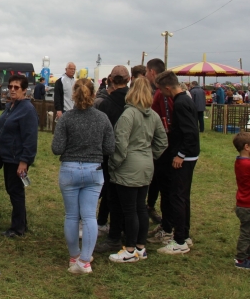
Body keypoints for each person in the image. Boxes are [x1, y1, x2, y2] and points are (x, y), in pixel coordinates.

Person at [52, 78, 115, 274]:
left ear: (73, 95)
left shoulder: (66, 119)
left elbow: (57, 148)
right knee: (89, 216)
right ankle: (85, 261)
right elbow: (110, 148)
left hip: (70, 169)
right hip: (94, 170)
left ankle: (75, 256)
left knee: (71, 215)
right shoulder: (102, 118)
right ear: (94, 94)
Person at [108, 78, 168, 263]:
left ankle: (131, 249)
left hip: (129, 166)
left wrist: (113, 165)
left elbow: (120, 145)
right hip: (145, 165)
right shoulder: (154, 116)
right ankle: (141, 247)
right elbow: (162, 142)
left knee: (129, 209)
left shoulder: (128, 115)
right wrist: (150, 155)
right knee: (141, 207)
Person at [155, 70, 200, 255]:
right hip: (190, 155)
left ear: (167, 88)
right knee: (184, 197)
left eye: (160, 89)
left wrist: (180, 154)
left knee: (178, 197)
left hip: (185, 156)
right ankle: (185, 235)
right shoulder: (186, 99)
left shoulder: (180, 103)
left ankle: (179, 240)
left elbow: (190, 132)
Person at [0, 74, 38, 238]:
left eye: (16, 87)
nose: (12, 90)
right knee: (12, 189)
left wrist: (24, 161)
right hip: (7, 156)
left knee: (16, 191)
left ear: (24, 90)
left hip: (17, 158)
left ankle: (17, 228)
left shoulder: (27, 110)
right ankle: (21, 223)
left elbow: (30, 138)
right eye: (10, 87)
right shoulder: (11, 106)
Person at [95, 66, 130, 253]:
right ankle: (129, 235)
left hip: (110, 154)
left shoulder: (106, 104)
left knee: (113, 196)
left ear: (110, 80)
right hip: (133, 155)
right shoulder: (134, 101)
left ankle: (115, 236)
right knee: (131, 198)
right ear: (128, 79)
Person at [145, 58, 172, 232]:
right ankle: (152, 208)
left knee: (165, 186)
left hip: (163, 146)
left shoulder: (162, 92)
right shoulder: (159, 90)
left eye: (147, 72)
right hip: (161, 144)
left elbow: (166, 120)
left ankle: (167, 226)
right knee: (156, 182)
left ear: (152, 72)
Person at [233, 132, 250, 269]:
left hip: (243, 204)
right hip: (247, 205)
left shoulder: (240, 161)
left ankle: (246, 255)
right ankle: (241, 260)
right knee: (246, 233)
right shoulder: (247, 164)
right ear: (247, 147)